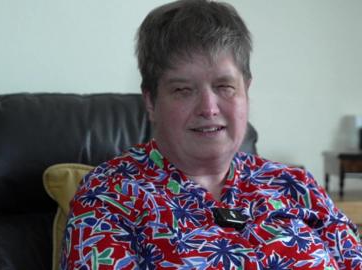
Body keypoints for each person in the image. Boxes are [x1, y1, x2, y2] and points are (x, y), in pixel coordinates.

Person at [61, 0, 362, 269]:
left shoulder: (296, 185)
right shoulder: (109, 197)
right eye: (183, 90)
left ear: (246, 90)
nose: (208, 107)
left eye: (224, 86)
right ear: (151, 101)